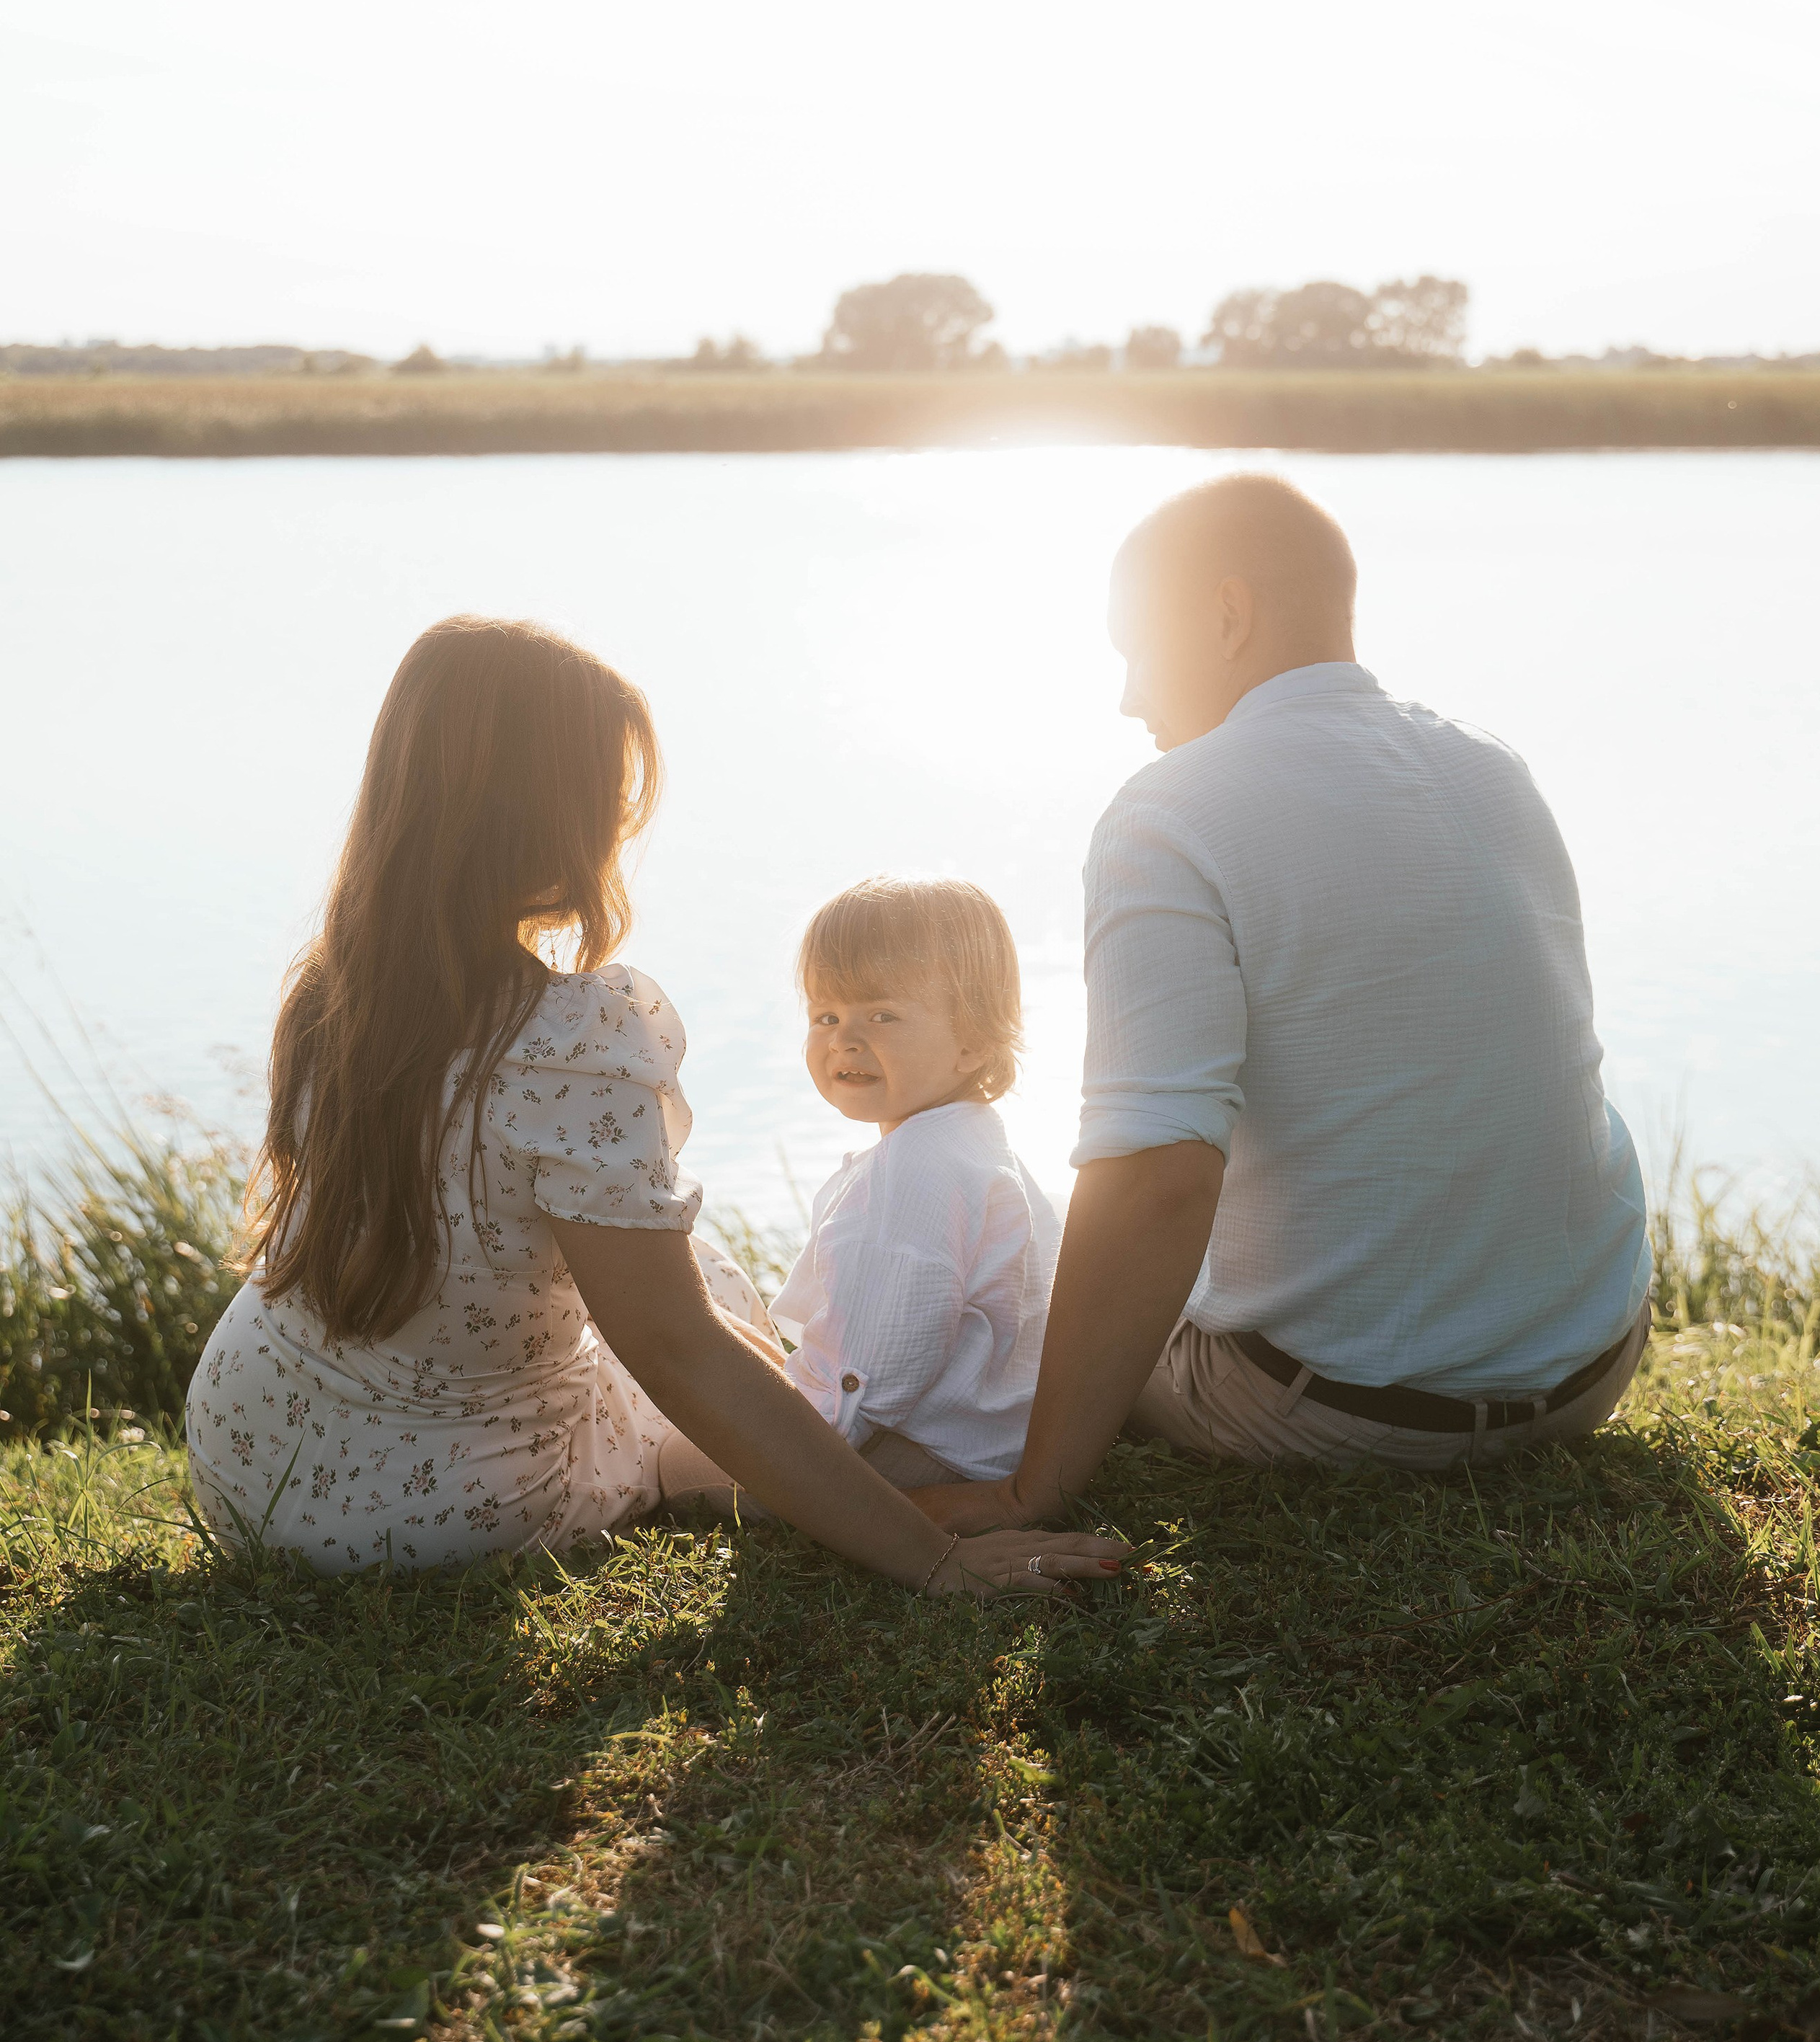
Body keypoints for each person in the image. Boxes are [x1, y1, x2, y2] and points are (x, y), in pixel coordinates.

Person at [186, 616, 1121, 1597]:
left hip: (251, 1449)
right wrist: (932, 1565)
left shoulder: (334, 998)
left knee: (704, 1273)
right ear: (547, 814)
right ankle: (851, 1487)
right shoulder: (571, 1043)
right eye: (611, 794)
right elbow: (674, 1352)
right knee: (707, 1339)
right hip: (417, 1510)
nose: (623, 822)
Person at [913, 473, 1653, 1531]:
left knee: (1019, 1260)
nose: (1128, 696)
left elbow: (1159, 1177)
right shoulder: (1496, 768)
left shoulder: (1172, 809)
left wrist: (1042, 1490)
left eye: (1135, 647)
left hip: (1345, 1417)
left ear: (1226, 613)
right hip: (1589, 1373)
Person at [770, 879, 1060, 1491]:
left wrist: (789, 1455)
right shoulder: (976, 1138)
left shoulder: (914, 1170)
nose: (843, 1039)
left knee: (669, 1456)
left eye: (882, 1014)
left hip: (918, 1457)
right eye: (826, 1015)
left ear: (973, 1041)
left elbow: (875, 1368)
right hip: (990, 1436)